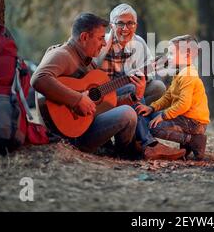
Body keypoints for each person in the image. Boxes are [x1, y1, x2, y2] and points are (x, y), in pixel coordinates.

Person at [31, 12, 185, 160]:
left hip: (85, 125)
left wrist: (136, 96)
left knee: (131, 89)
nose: (104, 43)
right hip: (71, 136)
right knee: (127, 113)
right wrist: (77, 100)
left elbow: (104, 104)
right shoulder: (62, 54)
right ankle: (134, 150)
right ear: (84, 37)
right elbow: (39, 79)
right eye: (100, 38)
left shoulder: (86, 60)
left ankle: (142, 144)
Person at [135, 35, 210, 160]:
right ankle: (187, 142)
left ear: (187, 55)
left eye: (171, 53)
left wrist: (163, 115)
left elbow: (184, 104)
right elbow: (168, 97)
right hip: (184, 117)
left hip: (194, 122)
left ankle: (192, 140)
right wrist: (152, 108)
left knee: (152, 126)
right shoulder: (179, 72)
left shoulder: (188, 75)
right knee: (149, 118)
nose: (167, 57)